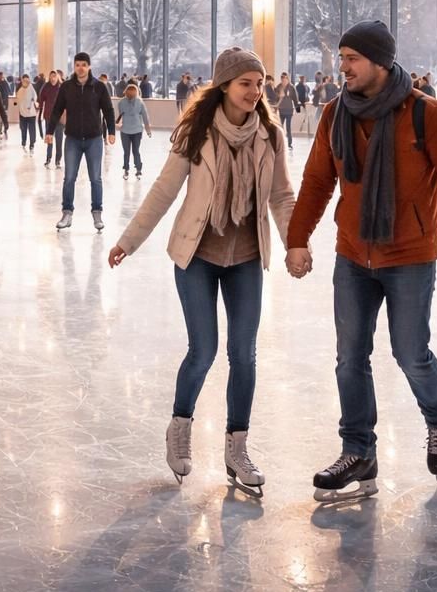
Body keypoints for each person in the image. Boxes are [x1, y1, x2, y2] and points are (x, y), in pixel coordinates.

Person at [286, 20, 437, 503]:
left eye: (352, 59)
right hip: (352, 255)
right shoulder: (334, 114)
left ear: (380, 62)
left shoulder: (426, 114)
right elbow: (318, 181)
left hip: (409, 256)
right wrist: (298, 239)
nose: (343, 68)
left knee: (410, 354)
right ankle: (358, 450)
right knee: (349, 359)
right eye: (341, 58)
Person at [109, 48, 297, 497]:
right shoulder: (196, 132)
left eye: (260, 82)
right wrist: (128, 241)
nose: (255, 91)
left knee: (244, 353)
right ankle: (180, 425)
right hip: (196, 255)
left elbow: (283, 196)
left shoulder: (270, 135)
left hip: (246, 258)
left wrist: (297, 245)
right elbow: (164, 191)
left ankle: (238, 448)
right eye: (246, 83)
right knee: (204, 350)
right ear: (224, 86)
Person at [46, 52, 116, 232]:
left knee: (95, 178)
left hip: (94, 139)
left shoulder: (99, 87)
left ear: (89, 67)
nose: (81, 68)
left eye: (84, 64)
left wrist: (111, 132)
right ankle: (67, 213)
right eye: (78, 64)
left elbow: (108, 110)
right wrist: (49, 131)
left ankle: (97, 213)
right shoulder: (67, 87)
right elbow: (56, 110)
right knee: (69, 178)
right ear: (74, 67)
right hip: (73, 139)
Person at [116, 82, 151, 179]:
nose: (130, 94)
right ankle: (128, 170)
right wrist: (148, 130)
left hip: (136, 131)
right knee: (130, 151)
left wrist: (148, 130)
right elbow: (145, 117)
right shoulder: (123, 103)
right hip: (126, 131)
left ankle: (137, 169)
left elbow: (145, 117)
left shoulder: (139, 103)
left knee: (133, 151)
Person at [39, 70, 62, 167]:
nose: (53, 79)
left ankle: (58, 160)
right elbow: (41, 98)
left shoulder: (61, 87)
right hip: (48, 116)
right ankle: (48, 158)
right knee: (49, 138)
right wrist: (38, 106)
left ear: (57, 77)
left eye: (54, 76)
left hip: (59, 118)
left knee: (59, 140)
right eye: (51, 76)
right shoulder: (46, 86)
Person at [14, 73, 39, 154]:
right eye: (24, 80)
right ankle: (23, 142)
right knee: (23, 129)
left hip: (31, 114)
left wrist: (32, 101)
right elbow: (18, 99)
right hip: (22, 114)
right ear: (22, 81)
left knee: (32, 130)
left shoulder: (32, 88)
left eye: (27, 80)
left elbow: (35, 98)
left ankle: (32, 143)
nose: (26, 82)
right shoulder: (19, 89)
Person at [273, 73, 298, 150]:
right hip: (281, 109)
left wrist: (297, 108)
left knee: (288, 127)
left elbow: (295, 98)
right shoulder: (279, 87)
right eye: (282, 79)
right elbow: (275, 97)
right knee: (280, 126)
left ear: (287, 79)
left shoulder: (291, 87)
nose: (283, 80)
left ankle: (289, 144)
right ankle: (279, 143)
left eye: (285, 78)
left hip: (289, 110)